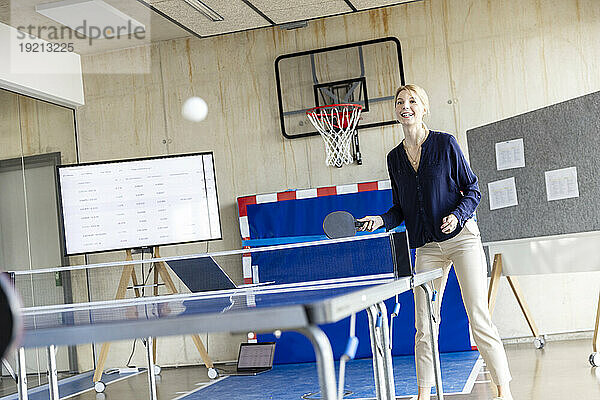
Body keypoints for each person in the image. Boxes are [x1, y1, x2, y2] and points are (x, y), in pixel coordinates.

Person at [358, 84, 514, 400]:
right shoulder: (395, 159)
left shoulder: (445, 144)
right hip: (427, 248)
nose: (406, 106)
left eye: (413, 101)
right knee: (425, 327)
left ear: (424, 108)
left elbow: (473, 189)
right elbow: (399, 208)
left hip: (463, 240)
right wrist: (381, 220)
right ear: (395, 110)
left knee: (478, 317)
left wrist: (457, 215)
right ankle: (423, 395)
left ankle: (503, 390)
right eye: (400, 102)